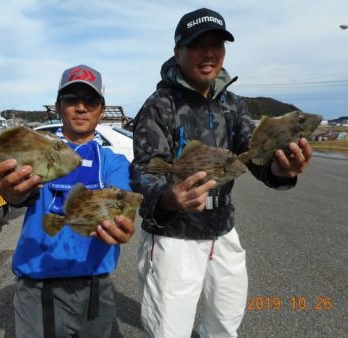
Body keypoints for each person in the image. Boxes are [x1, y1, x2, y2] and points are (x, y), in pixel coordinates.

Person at [130, 8, 313, 338]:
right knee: (169, 330)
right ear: (178, 52)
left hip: (223, 230)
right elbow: (144, 171)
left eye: (217, 44)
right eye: (198, 44)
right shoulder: (160, 104)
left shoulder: (235, 105)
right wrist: (169, 196)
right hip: (174, 235)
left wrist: (280, 168)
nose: (209, 53)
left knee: (226, 323)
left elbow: (254, 155)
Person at [0, 64, 135, 337]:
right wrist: (11, 194)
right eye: (72, 100)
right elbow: (18, 194)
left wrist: (124, 221)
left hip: (97, 288)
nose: (81, 107)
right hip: (38, 289)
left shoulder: (113, 162)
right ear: (58, 107)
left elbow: (121, 201)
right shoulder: (39, 153)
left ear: (101, 109)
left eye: (90, 100)